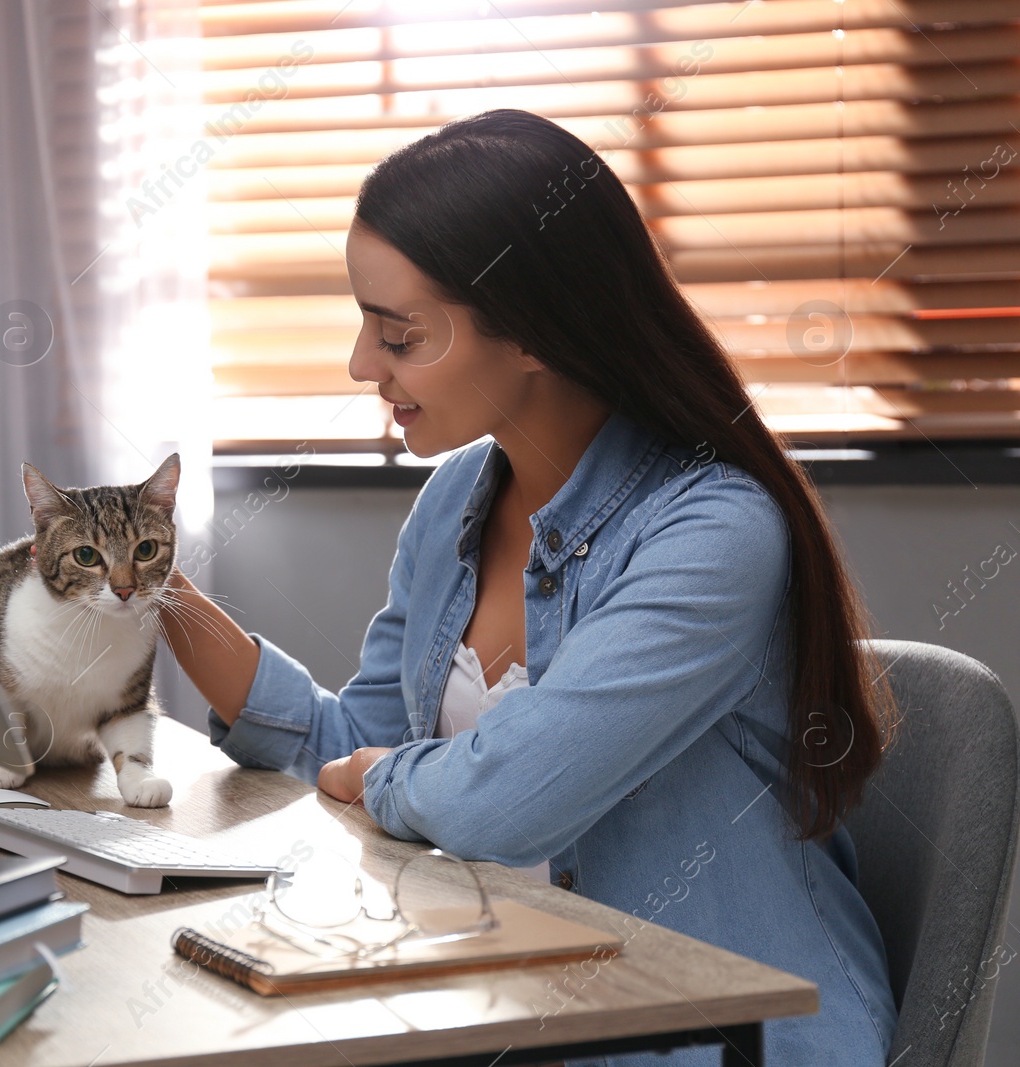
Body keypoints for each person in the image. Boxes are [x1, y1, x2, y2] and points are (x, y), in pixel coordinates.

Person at [156, 109, 899, 1066]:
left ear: (538, 333)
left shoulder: (713, 532)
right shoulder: (455, 500)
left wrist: (381, 775)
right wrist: (146, 585)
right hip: (518, 1006)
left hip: (718, 1034)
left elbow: (503, 799)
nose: (359, 364)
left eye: (399, 333)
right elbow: (352, 746)